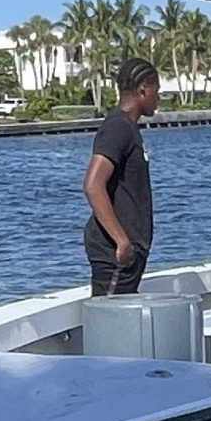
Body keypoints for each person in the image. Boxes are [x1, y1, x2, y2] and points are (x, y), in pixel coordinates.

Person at [84, 58, 159, 295]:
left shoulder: (129, 128)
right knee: (111, 324)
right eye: (157, 91)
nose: (158, 98)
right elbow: (93, 185)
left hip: (129, 252)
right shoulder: (118, 128)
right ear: (143, 89)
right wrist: (121, 241)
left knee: (121, 323)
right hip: (115, 253)